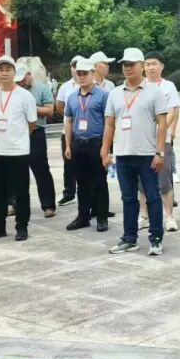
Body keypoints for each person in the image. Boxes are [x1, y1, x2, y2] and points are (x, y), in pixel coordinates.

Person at [103, 48, 169, 255]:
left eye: (131, 64)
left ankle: (156, 238)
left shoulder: (154, 91)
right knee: (128, 198)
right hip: (123, 154)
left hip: (147, 154)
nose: (127, 68)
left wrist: (160, 153)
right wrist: (105, 150)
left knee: (152, 196)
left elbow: (162, 124)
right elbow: (109, 124)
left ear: (142, 66)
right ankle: (129, 238)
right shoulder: (115, 93)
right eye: (125, 64)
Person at [0, 56, 38, 241]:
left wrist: (18, 139)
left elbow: (32, 124)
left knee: (21, 191)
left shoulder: (25, 96)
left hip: (18, 152)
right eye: (0, 70)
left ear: (14, 72)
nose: (4, 73)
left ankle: (22, 226)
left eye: (8, 70)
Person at [64, 59, 110, 232]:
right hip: (78, 143)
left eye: (85, 73)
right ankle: (83, 217)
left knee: (99, 181)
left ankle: (102, 217)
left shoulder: (103, 95)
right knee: (81, 182)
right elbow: (69, 120)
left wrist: (106, 147)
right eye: (79, 74)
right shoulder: (72, 97)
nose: (82, 77)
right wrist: (68, 145)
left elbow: (109, 122)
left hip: (96, 142)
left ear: (93, 74)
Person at [142, 51, 180, 231]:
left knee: (164, 179)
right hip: (142, 140)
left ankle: (169, 216)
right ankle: (144, 216)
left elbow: (173, 110)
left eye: (154, 64)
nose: (150, 67)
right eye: (147, 64)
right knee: (141, 180)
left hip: (162, 139)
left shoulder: (168, 86)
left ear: (162, 66)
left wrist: (162, 129)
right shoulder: (140, 86)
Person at [20, 66, 58, 218]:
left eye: (24, 78)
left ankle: (48, 205)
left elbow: (49, 110)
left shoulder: (42, 88)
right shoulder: (15, 90)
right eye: (19, 80)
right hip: (18, 134)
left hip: (36, 132)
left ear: (30, 75)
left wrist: (30, 107)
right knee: (17, 171)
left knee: (41, 170)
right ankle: (17, 204)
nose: (22, 81)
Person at [55, 55, 84, 207]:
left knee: (87, 165)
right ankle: (69, 193)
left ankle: (87, 194)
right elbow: (59, 106)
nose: (76, 69)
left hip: (87, 134)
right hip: (69, 131)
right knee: (69, 164)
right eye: (74, 66)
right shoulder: (65, 87)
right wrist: (71, 118)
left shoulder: (92, 84)